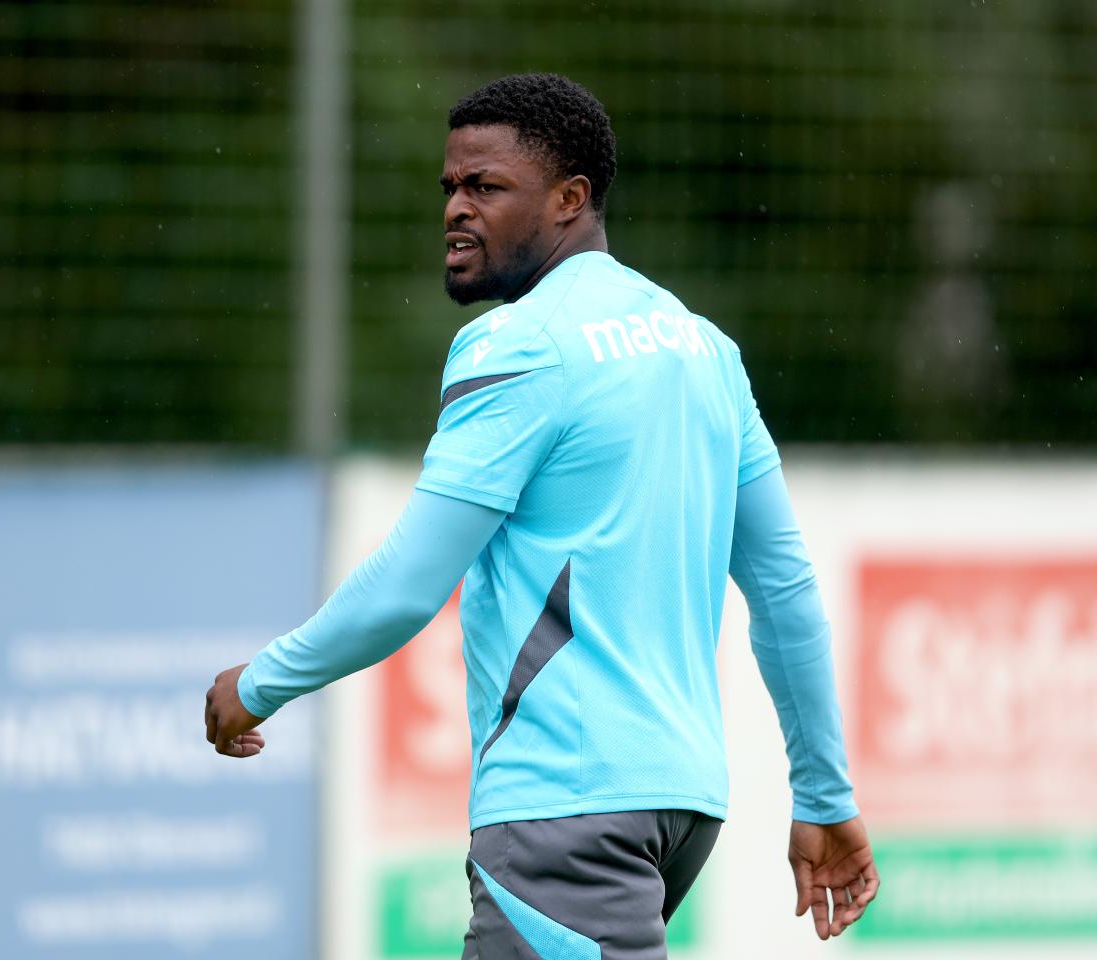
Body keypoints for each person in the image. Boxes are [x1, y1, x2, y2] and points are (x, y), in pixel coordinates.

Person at [205, 73, 879, 958]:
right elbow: (784, 592)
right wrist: (824, 795)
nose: (456, 207)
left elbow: (409, 584)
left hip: (565, 807)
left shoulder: (518, 345)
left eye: (485, 187)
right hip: (678, 806)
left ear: (570, 200)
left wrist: (256, 686)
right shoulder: (704, 350)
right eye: (449, 186)